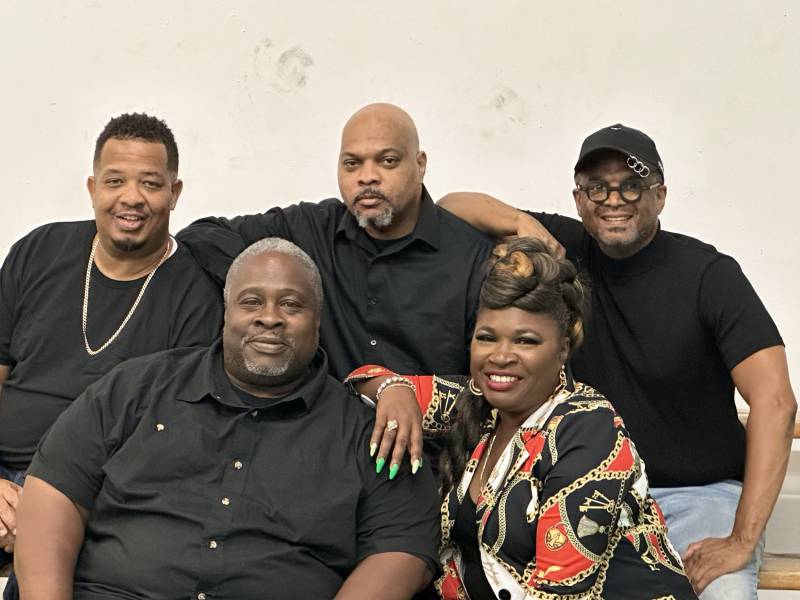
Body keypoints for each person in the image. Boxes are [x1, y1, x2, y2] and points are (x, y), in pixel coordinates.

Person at [437, 124, 797, 598]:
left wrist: (741, 540)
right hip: (583, 489)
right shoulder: (565, 251)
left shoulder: (709, 275)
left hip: (697, 495)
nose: (613, 200)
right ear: (579, 198)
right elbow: (450, 208)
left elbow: (776, 402)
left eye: (631, 185)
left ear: (660, 196)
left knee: (722, 592)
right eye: (597, 187)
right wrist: (522, 225)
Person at [14, 238, 440, 600]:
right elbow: (55, 489)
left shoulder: (367, 432)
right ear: (226, 312)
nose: (269, 317)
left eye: (291, 304)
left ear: (318, 320)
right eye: (251, 301)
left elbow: (402, 549)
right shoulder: (136, 387)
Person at [177, 102, 527, 474]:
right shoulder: (311, 229)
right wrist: (274, 284)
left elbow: (497, 384)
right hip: (312, 456)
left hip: (426, 468)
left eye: (387, 161)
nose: (367, 177)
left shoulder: (473, 258)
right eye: (352, 164)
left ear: (420, 164)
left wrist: (400, 388)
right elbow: (202, 235)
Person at [349, 238, 698, 599]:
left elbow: (560, 592)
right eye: (487, 338)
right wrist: (393, 388)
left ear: (562, 349)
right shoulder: (478, 402)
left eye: (526, 341)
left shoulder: (587, 429)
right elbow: (360, 381)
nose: (501, 356)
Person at [0, 113, 222, 582]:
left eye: (150, 183)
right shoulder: (38, 250)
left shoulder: (195, 295)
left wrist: (45, 508)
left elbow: (169, 443)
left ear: (175, 193)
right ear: (92, 187)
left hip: (96, 497)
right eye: (115, 180)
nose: (131, 198)